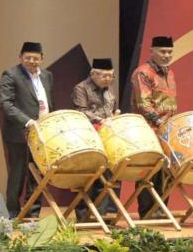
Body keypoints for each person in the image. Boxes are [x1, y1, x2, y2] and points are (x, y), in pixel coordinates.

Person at [0, 42, 54, 218]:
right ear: (20, 57)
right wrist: (28, 121)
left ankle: (32, 213)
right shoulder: (11, 74)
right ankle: (13, 213)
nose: (31, 61)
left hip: (42, 133)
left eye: (35, 58)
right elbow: (6, 104)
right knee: (18, 174)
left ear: (42, 58)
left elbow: (49, 101)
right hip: (20, 133)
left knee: (37, 175)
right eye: (27, 58)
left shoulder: (47, 75)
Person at [131, 36, 177, 218]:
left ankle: (161, 209)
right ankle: (147, 211)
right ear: (152, 51)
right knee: (149, 172)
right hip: (149, 129)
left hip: (167, 129)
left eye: (169, 52)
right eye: (163, 51)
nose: (167, 55)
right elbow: (143, 104)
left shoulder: (170, 73)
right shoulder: (143, 72)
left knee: (166, 172)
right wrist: (159, 122)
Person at [71, 58, 120, 220]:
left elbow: (112, 112)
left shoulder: (109, 92)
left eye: (111, 76)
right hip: (87, 137)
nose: (108, 79)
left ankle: (102, 214)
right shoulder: (81, 88)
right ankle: (83, 215)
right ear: (93, 74)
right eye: (104, 76)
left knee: (105, 176)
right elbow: (81, 111)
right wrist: (101, 120)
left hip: (106, 137)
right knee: (87, 176)